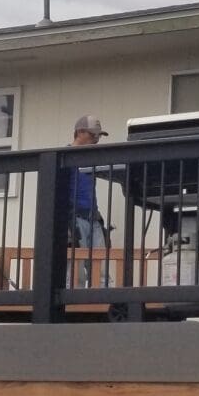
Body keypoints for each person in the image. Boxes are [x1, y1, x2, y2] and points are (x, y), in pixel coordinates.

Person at [68, 116, 110, 288]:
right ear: (80, 133)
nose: (97, 140)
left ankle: (103, 303)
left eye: (99, 136)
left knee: (101, 270)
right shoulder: (64, 156)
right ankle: (73, 308)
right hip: (73, 219)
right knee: (75, 272)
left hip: (93, 219)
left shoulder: (91, 158)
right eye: (94, 135)